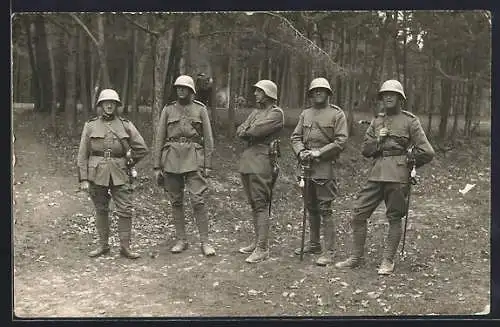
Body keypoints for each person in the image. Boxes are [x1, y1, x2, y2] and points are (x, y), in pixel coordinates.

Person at [335, 79, 435, 275]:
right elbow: (365, 150)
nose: (388, 97)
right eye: (385, 95)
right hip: (376, 173)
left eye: (393, 95)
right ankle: (356, 257)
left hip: (398, 175)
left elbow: (427, 151)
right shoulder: (376, 121)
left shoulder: (410, 121)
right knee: (358, 213)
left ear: (400, 98)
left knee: (394, 218)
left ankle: (388, 261)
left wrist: (410, 162)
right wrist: (379, 140)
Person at [77, 89, 149, 259]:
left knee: (125, 209)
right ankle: (103, 245)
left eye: (112, 103)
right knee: (101, 209)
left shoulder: (125, 125)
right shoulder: (91, 125)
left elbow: (142, 148)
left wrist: (129, 162)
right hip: (97, 173)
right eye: (105, 102)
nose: (109, 105)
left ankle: (125, 247)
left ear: (117, 105)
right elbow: (82, 154)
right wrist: (84, 178)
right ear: (100, 105)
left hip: (120, 172)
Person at [153, 75, 216, 257]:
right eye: (178, 87)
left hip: (194, 157)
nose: (181, 90)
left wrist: (208, 165)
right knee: (176, 200)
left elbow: (209, 139)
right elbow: (159, 138)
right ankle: (181, 239)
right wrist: (157, 165)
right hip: (171, 157)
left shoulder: (200, 109)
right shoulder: (168, 109)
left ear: (191, 91)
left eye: (184, 88)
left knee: (198, 200)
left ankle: (205, 241)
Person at [290, 77, 348, 266]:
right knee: (310, 206)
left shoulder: (336, 115)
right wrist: (300, 152)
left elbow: (340, 141)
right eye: (315, 91)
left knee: (325, 209)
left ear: (328, 93)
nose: (318, 93)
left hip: (324, 167)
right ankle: (314, 243)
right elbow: (296, 136)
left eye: (322, 90)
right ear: (310, 94)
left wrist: (319, 153)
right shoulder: (305, 114)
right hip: (306, 167)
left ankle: (329, 250)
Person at [237, 80, 284, 263]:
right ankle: (257, 242)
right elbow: (240, 131)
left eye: (259, 91)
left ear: (269, 94)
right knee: (253, 203)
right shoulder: (256, 112)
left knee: (261, 203)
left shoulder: (276, 113)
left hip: (263, 159)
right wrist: (247, 130)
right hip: (248, 159)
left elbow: (256, 131)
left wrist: (248, 130)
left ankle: (262, 248)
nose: (255, 94)